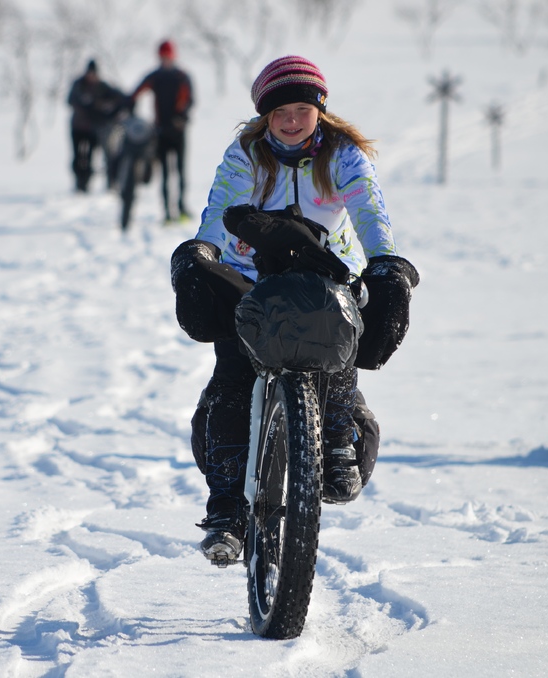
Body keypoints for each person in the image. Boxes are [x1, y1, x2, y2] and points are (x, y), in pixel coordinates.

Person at [170, 55, 419, 564]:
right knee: (234, 378)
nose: (290, 120)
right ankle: (226, 510)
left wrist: (385, 263)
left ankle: (337, 440)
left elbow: (369, 209)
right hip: (252, 278)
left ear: (319, 109)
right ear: (265, 115)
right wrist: (202, 254)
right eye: (279, 111)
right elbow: (220, 210)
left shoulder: (343, 154)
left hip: (328, 274)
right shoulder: (246, 154)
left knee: (337, 348)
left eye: (301, 109)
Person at [130, 40, 193, 222]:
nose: (165, 59)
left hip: (178, 132)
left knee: (180, 171)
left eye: (167, 56)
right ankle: (166, 212)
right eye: (162, 56)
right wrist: (128, 105)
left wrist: (181, 117)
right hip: (161, 132)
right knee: (165, 173)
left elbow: (189, 100)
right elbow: (136, 92)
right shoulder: (155, 76)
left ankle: (181, 207)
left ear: (173, 56)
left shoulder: (182, 76)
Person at [67, 59, 125, 193]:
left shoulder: (101, 86)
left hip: (92, 128)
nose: (91, 76)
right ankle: (79, 182)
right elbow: (70, 100)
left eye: (93, 73)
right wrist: (85, 104)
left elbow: (117, 96)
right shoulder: (79, 85)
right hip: (77, 127)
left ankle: (86, 182)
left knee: (89, 157)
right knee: (77, 156)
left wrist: (108, 106)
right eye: (89, 73)